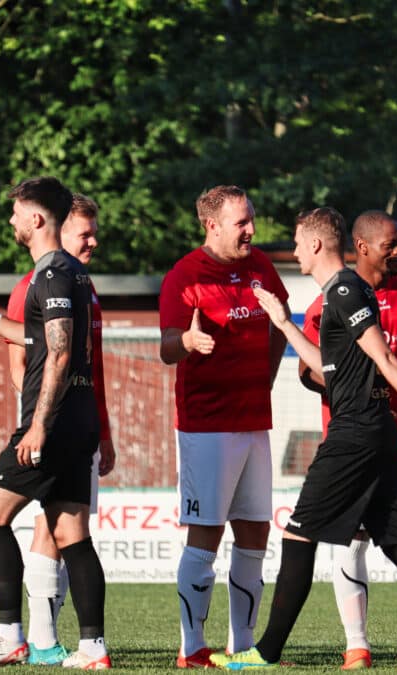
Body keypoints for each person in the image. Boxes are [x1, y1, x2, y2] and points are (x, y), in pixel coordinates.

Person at [213, 207, 397, 671]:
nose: (294, 249)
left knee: (299, 536)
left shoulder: (344, 290)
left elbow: (387, 359)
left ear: (316, 244)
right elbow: (326, 368)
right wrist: (282, 322)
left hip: (356, 434)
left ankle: (265, 652)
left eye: (298, 241)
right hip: (372, 432)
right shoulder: (338, 294)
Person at [0, 177, 111, 669]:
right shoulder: (73, 275)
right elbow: (39, 336)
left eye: (16, 212)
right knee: (71, 533)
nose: (12, 221)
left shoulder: (53, 273)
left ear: (36, 219)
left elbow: (57, 353)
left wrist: (37, 427)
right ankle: (93, 648)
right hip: (80, 422)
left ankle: (10, 636)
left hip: (53, 423)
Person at [299, 211, 397, 670]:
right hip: (353, 441)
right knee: (351, 540)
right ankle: (356, 645)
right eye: (392, 244)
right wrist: (350, 386)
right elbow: (307, 372)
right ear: (362, 247)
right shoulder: (325, 303)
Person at [158, 185, 289, 667]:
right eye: (242, 222)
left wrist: (267, 377)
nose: (252, 229)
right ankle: (192, 648)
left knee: (255, 533)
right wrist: (187, 341)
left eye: (251, 218)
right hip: (207, 428)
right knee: (206, 535)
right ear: (212, 225)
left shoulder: (260, 268)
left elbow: (282, 321)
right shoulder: (185, 276)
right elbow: (166, 346)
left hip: (255, 422)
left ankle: (244, 645)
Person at [5, 193, 116, 665]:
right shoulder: (34, 284)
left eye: (94, 232)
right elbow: (21, 366)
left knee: (69, 529)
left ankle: (64, 641)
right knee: (48, 527)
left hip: (80, 425)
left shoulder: (81, 285)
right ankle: (42, 637)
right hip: (50, 426)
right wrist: (41, 422)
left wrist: (104, 432)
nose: (92, 241)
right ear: (57, 229)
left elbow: (93, 367)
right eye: (83, 233)